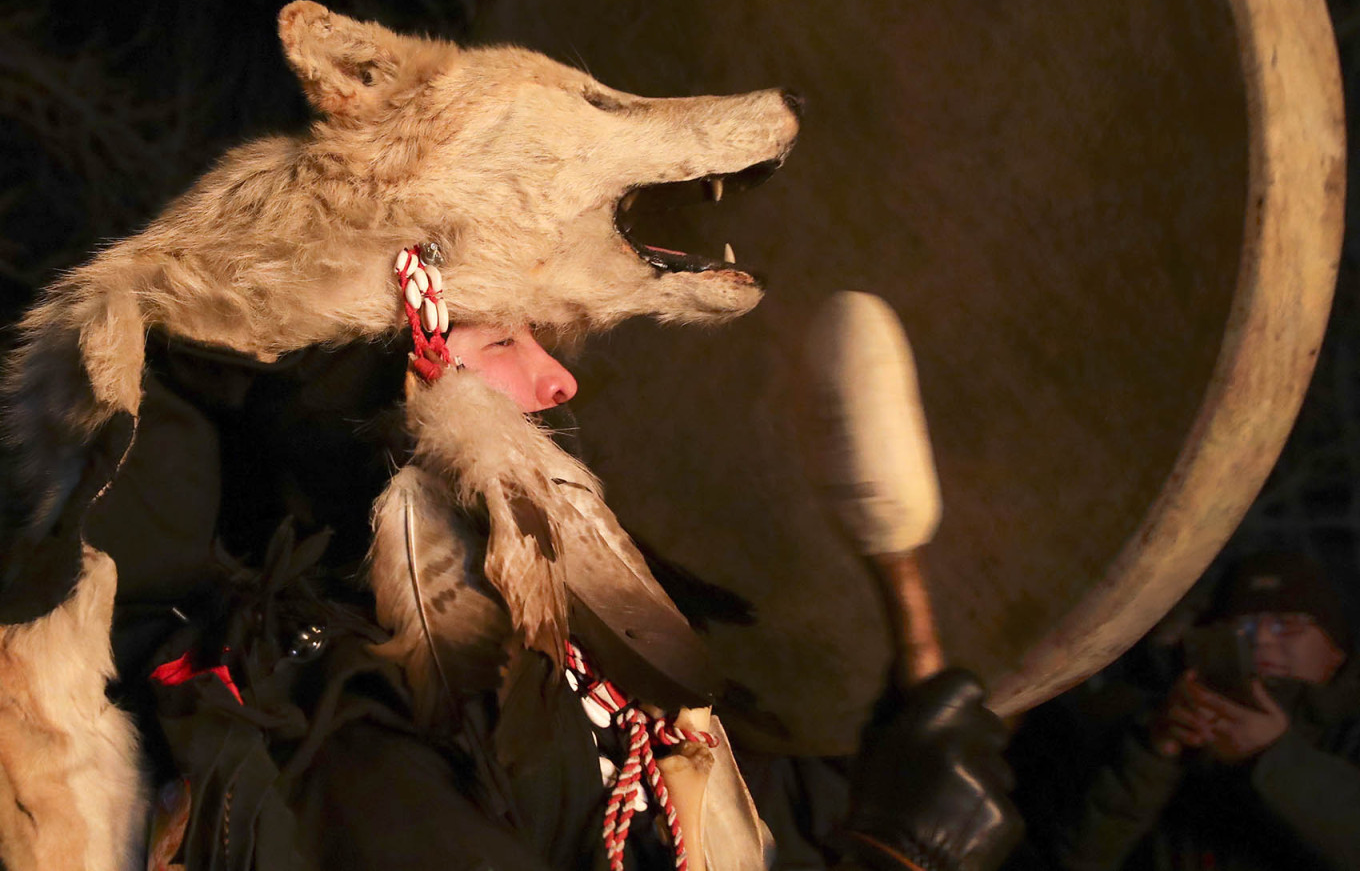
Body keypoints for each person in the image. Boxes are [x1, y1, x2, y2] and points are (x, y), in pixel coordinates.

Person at [1, 299, 1020, 870]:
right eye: (505, 340)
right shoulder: (343, 728)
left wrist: (879, 776)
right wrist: (898, 855)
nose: (562, 381)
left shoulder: (615, 663)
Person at [1047, 550, 1360, 871]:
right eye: (1244, 628)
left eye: (1288, 625)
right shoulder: (1169, 724)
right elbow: (1078, 858)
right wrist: (1153, 754)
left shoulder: (1350, 733)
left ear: (1337, 651)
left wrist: (1273, 758)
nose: (1262, 640)